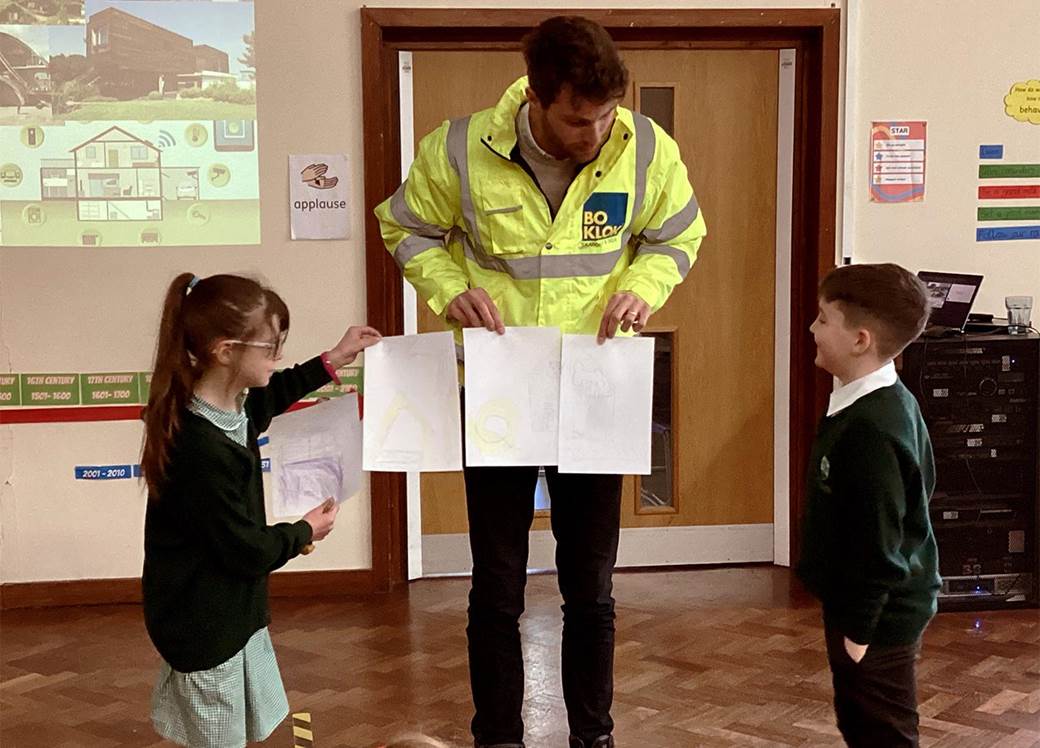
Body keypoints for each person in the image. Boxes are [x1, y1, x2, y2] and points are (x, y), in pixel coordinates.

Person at [375, 16, 706, 748]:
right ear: (534, 95)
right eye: (577, 119)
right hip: (501, 387)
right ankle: (498, 736)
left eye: (606, 115)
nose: (594, 133)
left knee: (590, 588)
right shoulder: (460, 148)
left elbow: (679, 234)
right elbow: (405, 227)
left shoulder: (645, 148)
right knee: (497, 586)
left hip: (595, 390)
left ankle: (594, 736)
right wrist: (447, 288)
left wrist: (645, 287)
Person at [140, 272, 381, 747]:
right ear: (225, 351)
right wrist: (303, 531)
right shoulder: (199, 447)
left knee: (236, 726)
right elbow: (245, 549)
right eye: (270, 349)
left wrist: (332, 360)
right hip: (204, 623)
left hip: (230, 613)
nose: (279, 358)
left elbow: (270, 396)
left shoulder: (229, 406)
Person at [797, 263, 941, 747]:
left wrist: (858, 634)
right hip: (858, 605)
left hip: (878, 617)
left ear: (860, 340)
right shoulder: (865, 403)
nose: (812, 330)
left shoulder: (873, 430)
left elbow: (880, 544)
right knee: (857, 722)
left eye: (822, 320)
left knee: (882, 730)